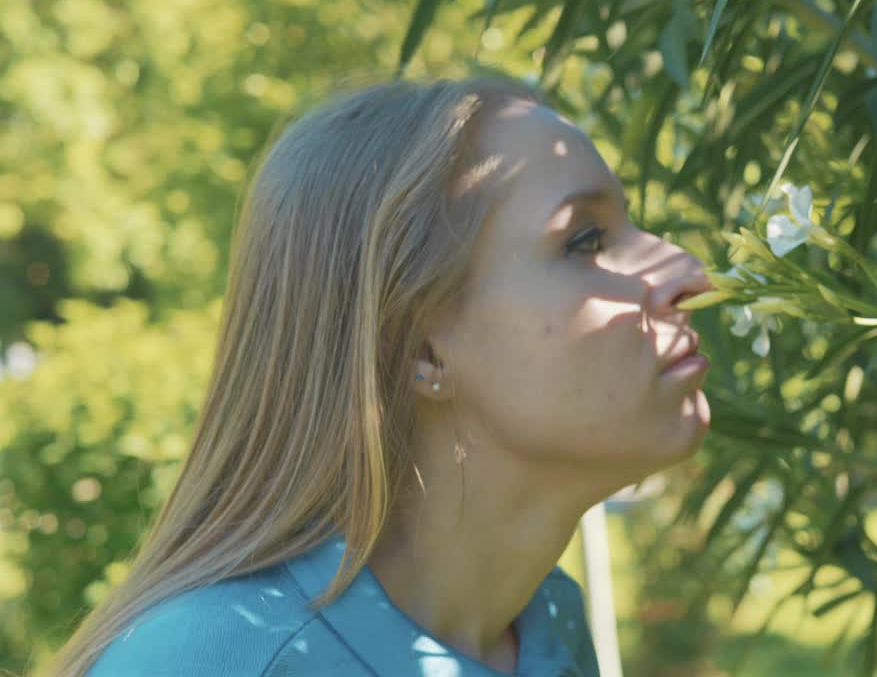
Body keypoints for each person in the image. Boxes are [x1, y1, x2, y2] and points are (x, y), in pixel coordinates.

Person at [42, 73, 714, 677]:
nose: (686, 272)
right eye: (585, 240)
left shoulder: (549, 629)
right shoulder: (209, 663)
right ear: (419, 346)